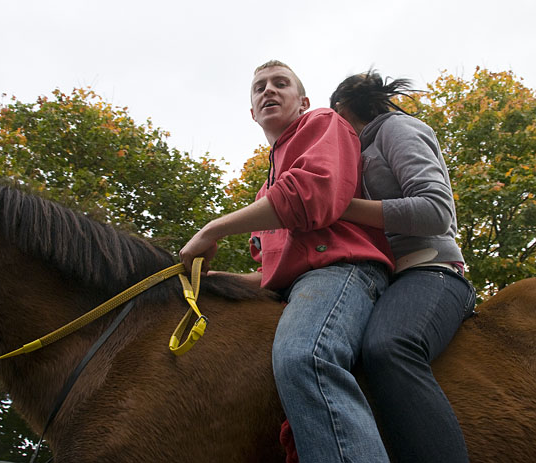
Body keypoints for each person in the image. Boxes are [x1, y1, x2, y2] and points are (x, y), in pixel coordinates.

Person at [179, 60, 395, 462]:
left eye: (281, 84)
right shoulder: (266, 190)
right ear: (252, 112)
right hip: (299, 290)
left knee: (304, 356)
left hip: (342, 273)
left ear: (303, 101)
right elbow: (269, 277)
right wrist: (202, 279)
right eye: (259, 87)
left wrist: (212, 229)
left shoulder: (323, 124)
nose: (269, 91)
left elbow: (310, 195)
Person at [330, 71, 476, 462]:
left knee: (388, 347)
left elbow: (435, 211)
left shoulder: (395, 129)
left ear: (342, 110)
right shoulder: (354, 155)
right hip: (383, 281)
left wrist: (338, 209)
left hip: (431, 270)